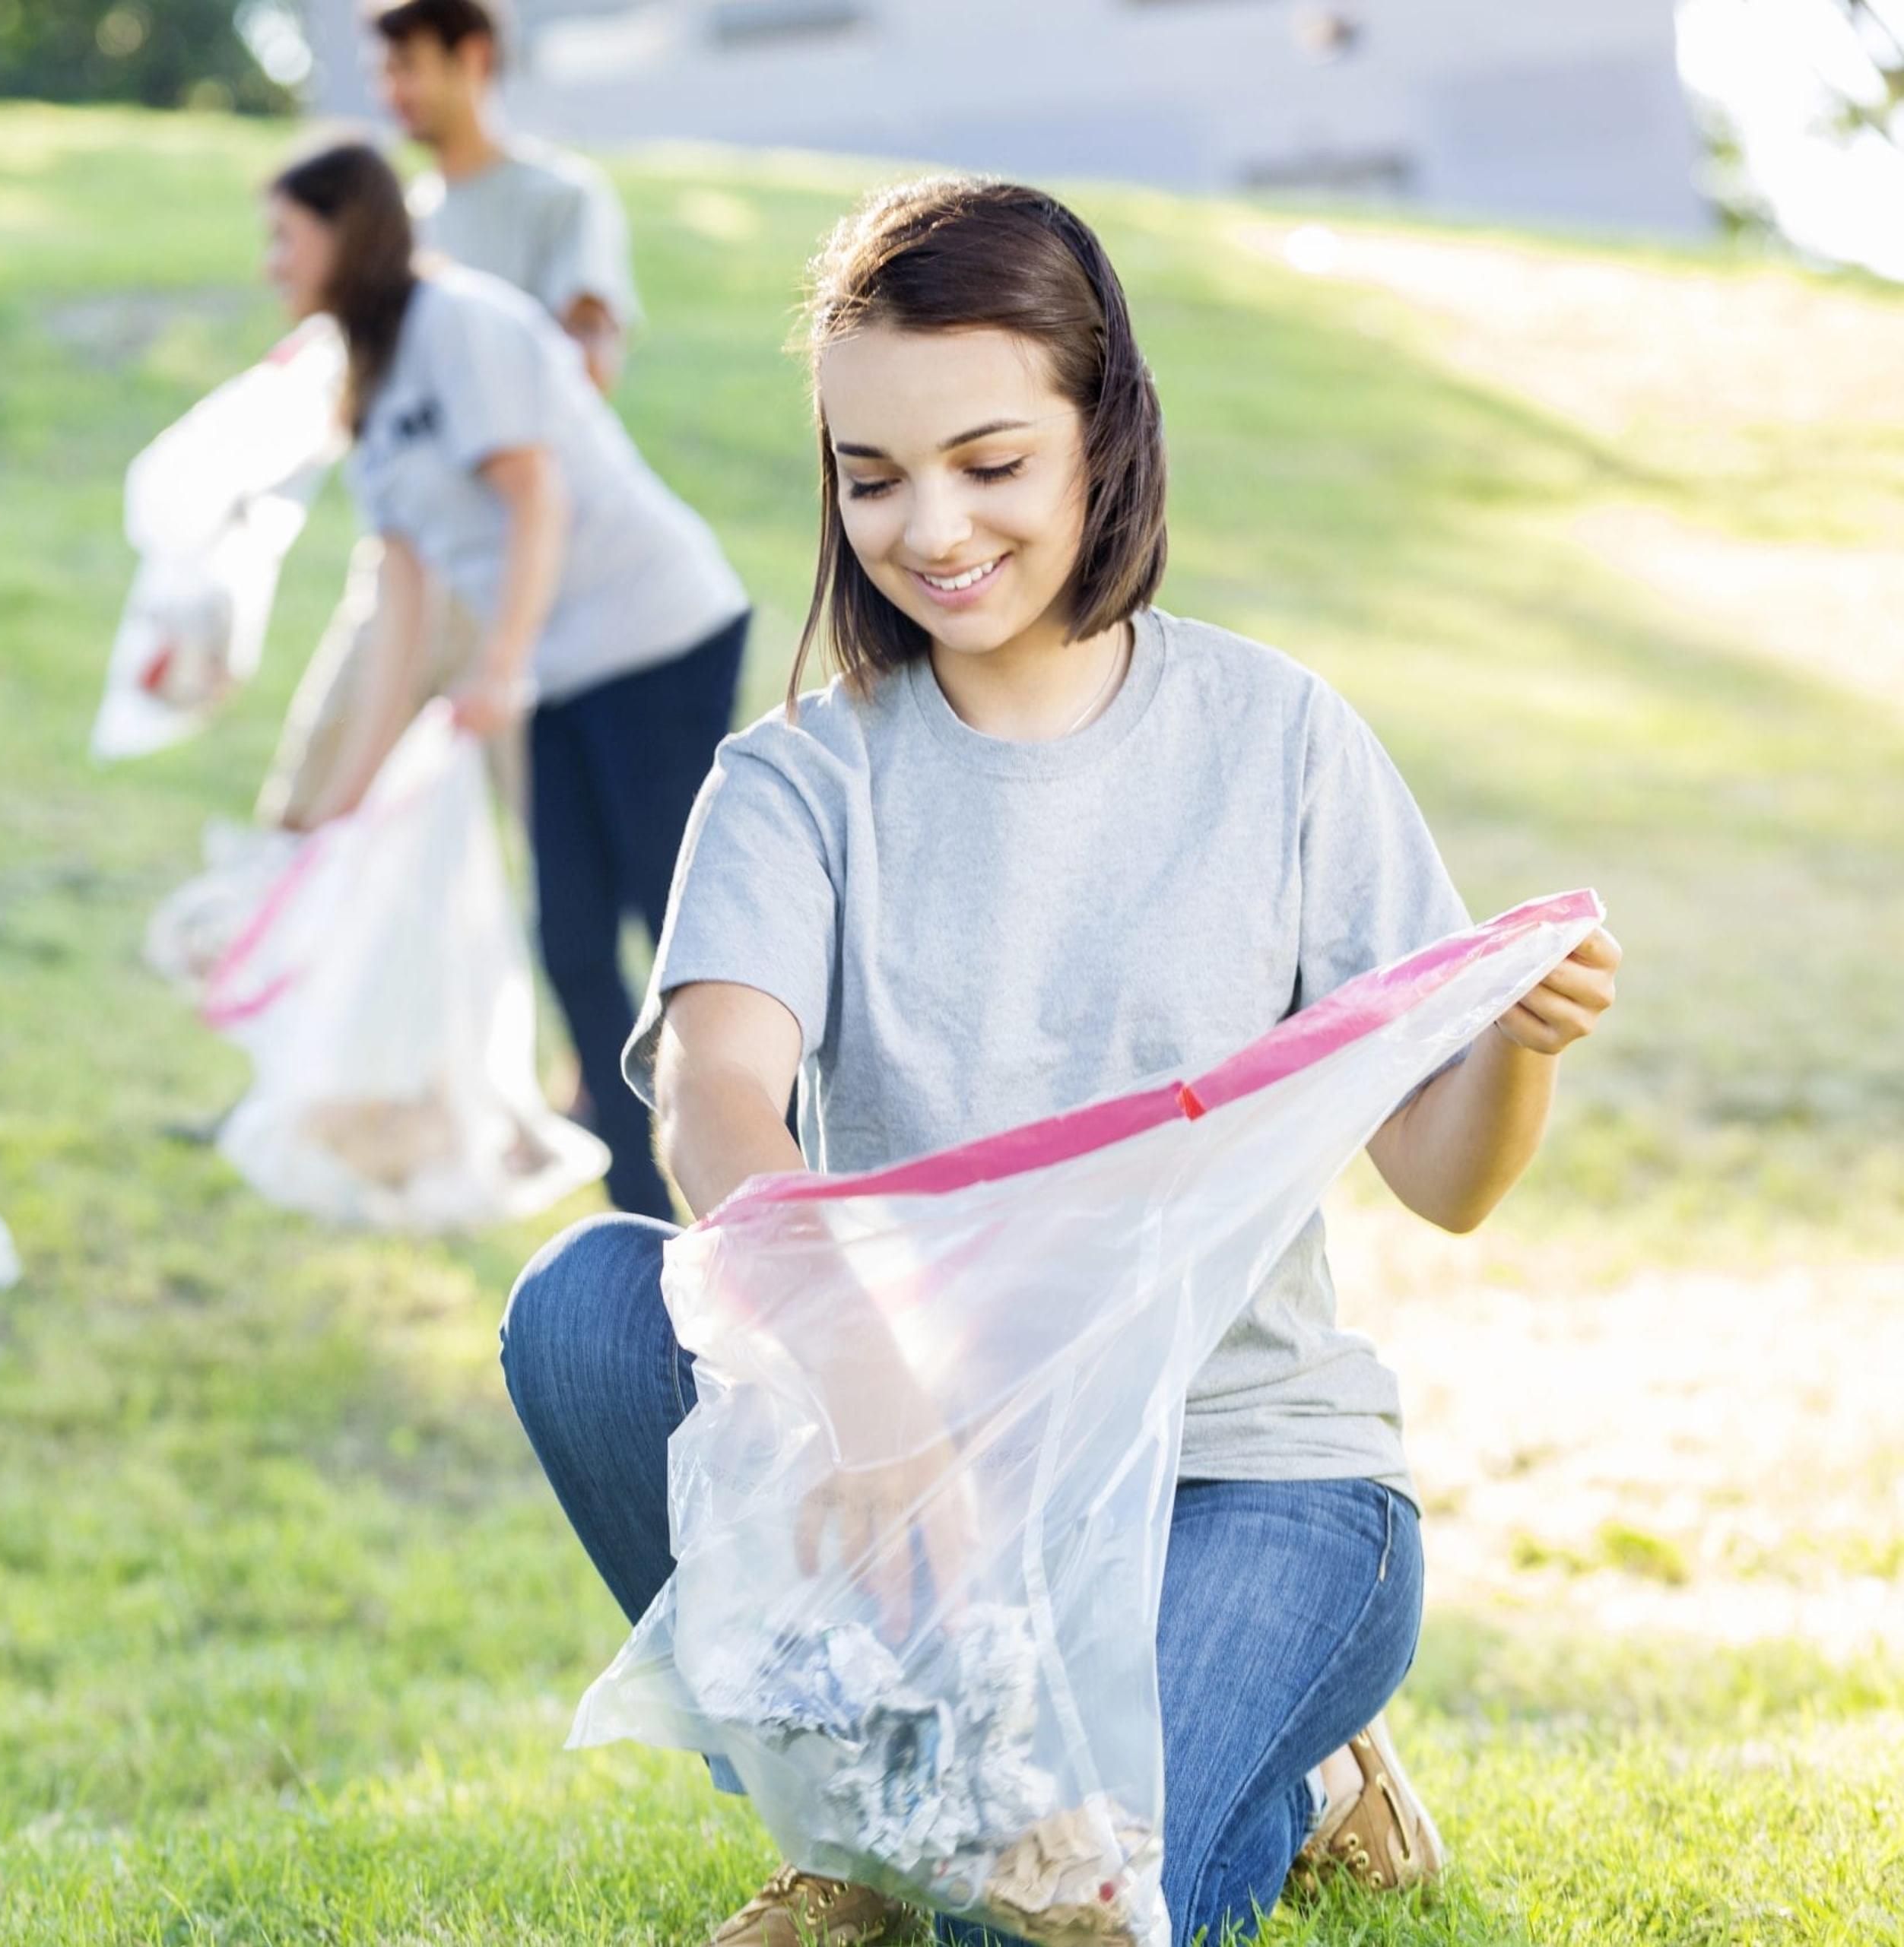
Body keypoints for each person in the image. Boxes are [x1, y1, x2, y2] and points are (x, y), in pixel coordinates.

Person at [497, 179, 1623, 1947]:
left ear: (1103, 437)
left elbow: (1445, 1180)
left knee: (1045, 1902)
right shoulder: (798, 778)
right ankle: (863, 1820)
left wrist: (1517, 1053)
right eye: (868, 476)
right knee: (584, 1302)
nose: (924, 525)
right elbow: (711, 1090)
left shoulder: (1276, 739)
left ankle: (1307, 1772)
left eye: (986, 461)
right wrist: (867, 1379)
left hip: (1242, 1478)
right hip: (913, 1460)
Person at [264, 142, 750, 1221]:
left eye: (284, 237)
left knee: (681, 941)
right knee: (571, 944)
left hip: (658, 635)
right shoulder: (369, 379)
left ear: (346, 235)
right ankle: (645, 1217)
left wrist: (498, 666)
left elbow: (538, 500)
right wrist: (343, 802)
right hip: (563, 668)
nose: (271, 264)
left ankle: (779, 1199)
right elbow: (402, 605)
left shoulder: (458, 324)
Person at [254, 0, 639, 831]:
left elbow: (588, 368)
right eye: (379, 74)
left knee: (559, 845)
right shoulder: (392, 222)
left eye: (406, 68)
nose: (391, 92)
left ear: (469, 57)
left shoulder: (558, 198)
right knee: (309, 808)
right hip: (404, 565)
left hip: (517, 572)